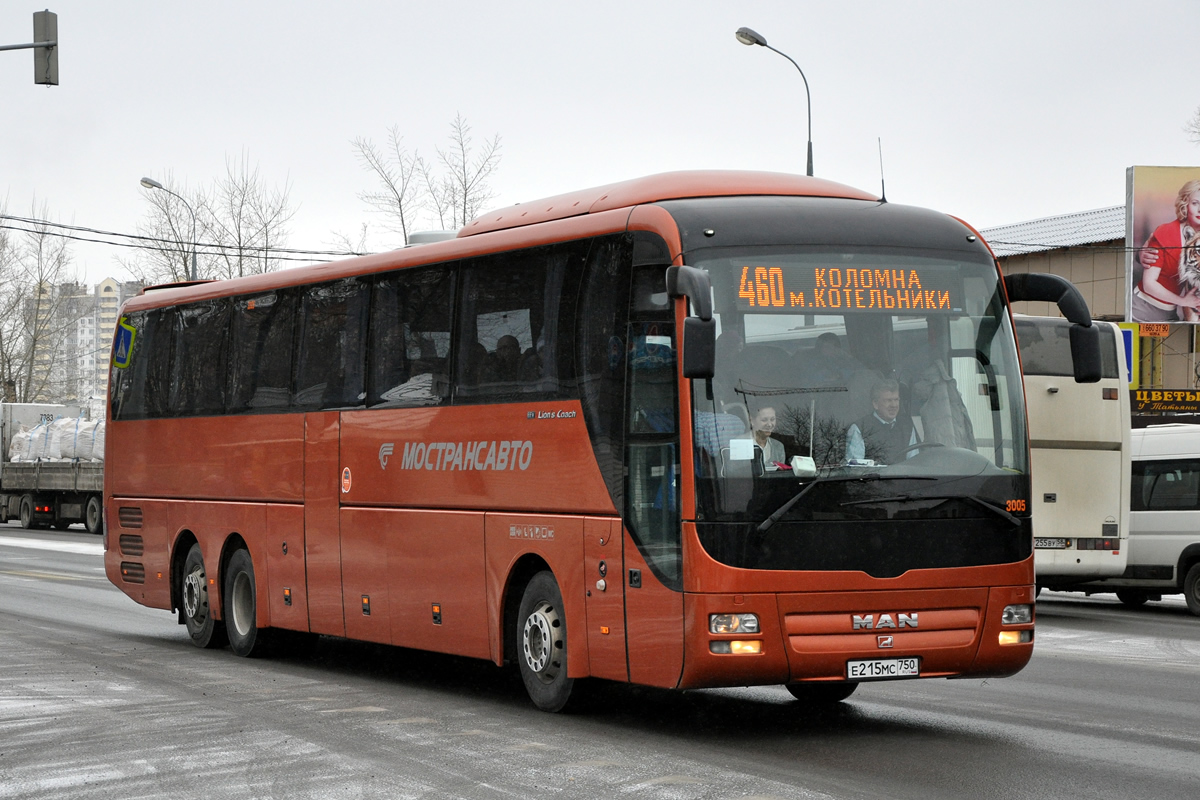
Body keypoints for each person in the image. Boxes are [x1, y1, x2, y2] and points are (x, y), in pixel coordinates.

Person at [1132, 180, 1200, 322]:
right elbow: (1149, 284)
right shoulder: (1167, 232)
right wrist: (1183, 301)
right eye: (1195, 203)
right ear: (1185, 204)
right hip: (1143, 308)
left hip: (1171, 313)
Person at [845, 378, 918, 464]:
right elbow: (855, 466)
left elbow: (914, 462)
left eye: (896, 400)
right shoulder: (860, 428)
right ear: (875, 404)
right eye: (888, 400)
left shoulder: (907, 426)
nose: (894, 405)